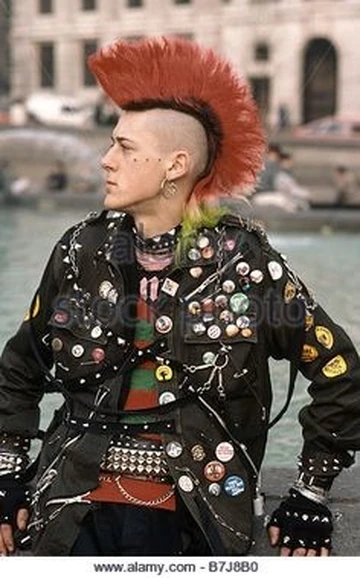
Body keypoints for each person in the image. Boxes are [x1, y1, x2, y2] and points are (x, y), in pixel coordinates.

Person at [0, 36, 359, 558]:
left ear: (175, 165)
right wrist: (7, 477)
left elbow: (339, 372)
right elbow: (19, 367)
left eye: (124, 148)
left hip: (198, 514)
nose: (105, 161)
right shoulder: (82, 248)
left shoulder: (245, 260)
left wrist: (310, 492)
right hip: (68, 509)